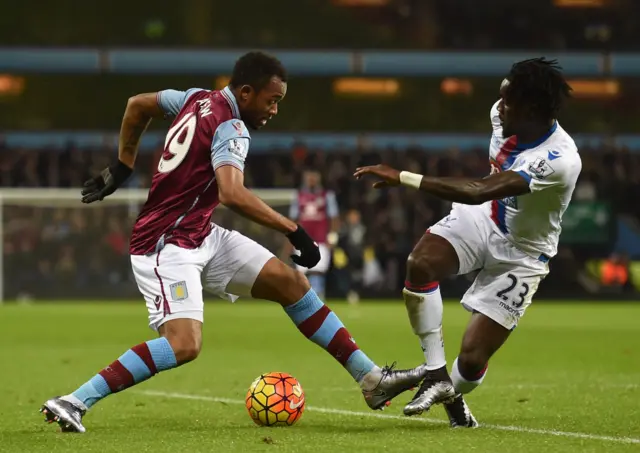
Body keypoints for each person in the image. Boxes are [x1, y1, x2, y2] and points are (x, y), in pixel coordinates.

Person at [40, 51, 427, 433]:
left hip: (200, 233)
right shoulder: (232, 126)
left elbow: (138, 105)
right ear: (245, 93)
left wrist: (124, 164)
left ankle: (371, 380)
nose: (275, 110)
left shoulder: (194, 98)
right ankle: (73, 400)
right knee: (183, 345)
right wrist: (294, 230)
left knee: (293, 284)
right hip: (165, 244)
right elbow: (232, 193)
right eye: (271, 100)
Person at [355, 58, 579, 427]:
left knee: (473, 359)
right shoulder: (501, 115)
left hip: (523, 253)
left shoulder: (559, 160)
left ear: (533, 109)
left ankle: (450, 389)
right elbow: (481, 197)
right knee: (421, 264)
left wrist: (403, 177)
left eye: (508, 100)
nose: (499, 105)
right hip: (485, 218)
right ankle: (435, 372)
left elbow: (478, 189)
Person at [289, 169, 340, 298]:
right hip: (302, 240)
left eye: (314, 177)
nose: (311, 180)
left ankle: (317, 296)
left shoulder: (326, 195)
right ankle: (303, 297)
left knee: (318, 270)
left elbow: (334, 218)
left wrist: (333, 237)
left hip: (321, 239)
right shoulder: (298, 196)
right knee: (301, 271)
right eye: (309, 177)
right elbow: (293, 218)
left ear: (318, 179)